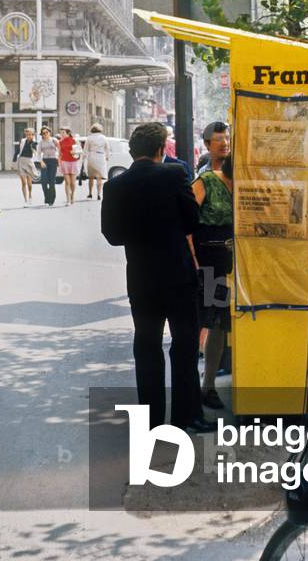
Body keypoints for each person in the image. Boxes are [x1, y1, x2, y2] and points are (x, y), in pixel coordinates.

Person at [101, 122, 213, 433]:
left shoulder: (114, 187)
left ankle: (151, 421)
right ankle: (186, 417)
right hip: (178, 275)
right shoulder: (174, 175)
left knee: (147, 346)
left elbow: (112, 235)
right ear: (161, 149)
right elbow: (192, 219)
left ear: (132, 151)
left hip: (142, 278)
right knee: (185, 345)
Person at [191, 153, 233, 410]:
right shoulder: (206, 181)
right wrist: (193, 259)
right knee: (203, 319)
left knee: (219, 322)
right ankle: (194, 385)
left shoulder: (247, 184)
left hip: (232, 266)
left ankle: (208, 385)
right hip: (208, 264)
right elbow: (187, 222)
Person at [85, 123, 109, 200]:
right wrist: (107, 157)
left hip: (92, 156)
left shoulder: (89, 138)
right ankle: (99, 194)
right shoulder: (104, 137)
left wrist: (84, 158)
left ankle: (90, 193)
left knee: (91, 177)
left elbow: (85, 149)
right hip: (101, 157)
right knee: (99, 177)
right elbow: (107, 148)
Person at [36, 127, 60, 206]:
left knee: (51, 181)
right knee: (43, 181)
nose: (45, 134)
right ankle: (47, 197)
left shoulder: (54, 140)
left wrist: (58, 158)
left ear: (49, 132)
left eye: (46, 132)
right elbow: (38, 153)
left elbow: (60, 150)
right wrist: (41, 161)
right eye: (43, 133)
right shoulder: (41, 142)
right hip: (45, 161)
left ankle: (51, 200)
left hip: (53, 161)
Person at [15, 127, 37, 207]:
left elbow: (35, 150)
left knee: (29, 183)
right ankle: (25, 200)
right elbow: (17, 150)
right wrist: (14, 160)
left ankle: (30, 195)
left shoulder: (34, 142)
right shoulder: (22, 141)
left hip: (29, 162)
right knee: (23, 182)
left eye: (30, 135)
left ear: (33, 135)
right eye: (27, 134)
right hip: (21, 160)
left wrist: (34, 148)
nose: (28, 136)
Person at [58, 127, 80, 205]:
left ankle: (72, 196)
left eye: (63, 132)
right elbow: (59, 153)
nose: (61, 134)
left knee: (73, 183)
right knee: (67, 182)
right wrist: (59, 163)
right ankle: (68, 200)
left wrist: (74, 152)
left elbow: (79, 151)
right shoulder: (60, 142)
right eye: (61, 132)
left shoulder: (74, 140)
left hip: (73, 162)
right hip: (64, 162)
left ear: (68, 133)